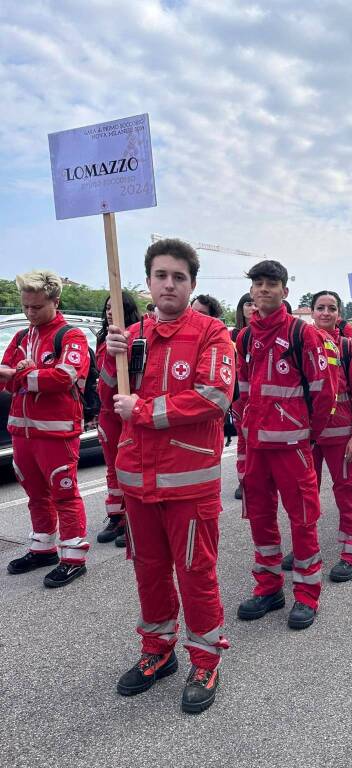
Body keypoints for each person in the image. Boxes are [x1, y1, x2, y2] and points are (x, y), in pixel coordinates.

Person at [101, 238, 234, 714]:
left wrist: (144, 411)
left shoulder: (213, 333)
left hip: (188, 485)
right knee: (149, 571)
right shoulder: (132, 333)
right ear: (149, 281)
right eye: (161, 275)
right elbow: (112, 391)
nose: (170, 284)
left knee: (196, 573)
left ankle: (204, 659)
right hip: (137, 482)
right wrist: (107, 354)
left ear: (192, 283)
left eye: (179, 277)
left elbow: (214, 397)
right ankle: (158, 652)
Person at [235, 260, 335, 630]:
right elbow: (241, 393)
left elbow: (325, 392)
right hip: (255, 449)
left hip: (293, 447)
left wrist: (308, 434)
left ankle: (307, 595)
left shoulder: (302, 334)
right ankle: (268, 588)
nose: (263, 290)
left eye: (270, 284)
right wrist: (245, 431)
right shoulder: (244, 337)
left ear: (285, 291)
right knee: (259, 519)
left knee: (303, 519)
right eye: (257, 284)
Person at [0, 270, 90, 587]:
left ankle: (73, 557)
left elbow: (63, 377)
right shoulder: (22, 337)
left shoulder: (71, 336)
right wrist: (16, 373)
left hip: (56, 433)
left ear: (55, 301)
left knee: (64, 493)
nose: (29, 313)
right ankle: (43, 548)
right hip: (22, 433)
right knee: (35, 494)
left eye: (36, 307)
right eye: (26, 306)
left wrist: (21, 375)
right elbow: (4, 374)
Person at [282, 290, 352, 582]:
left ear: (338, 313)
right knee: (304, 495)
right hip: (307, 436)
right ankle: (304, 548)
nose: (325, 313)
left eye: (331, 308)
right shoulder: (300, 343)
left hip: (341, 436)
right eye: (320, 307)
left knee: (347, 491)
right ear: (311, 311)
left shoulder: (349, 348)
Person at [95, 291, 141, 547]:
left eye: (117, 307)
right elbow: (103, 383)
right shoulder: (103, 340)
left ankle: (133, 519)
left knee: (131, 468)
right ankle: (116, 516)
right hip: (108, 413)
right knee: (113, 468)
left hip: (131, 410)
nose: (111, 311)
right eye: (108, 307)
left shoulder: (138, 335)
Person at [230, 293, 256, 500]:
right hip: (239, 395)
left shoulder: (265, 333)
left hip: (262, 395)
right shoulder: (232, 336)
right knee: (243, 439)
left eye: (255, 303)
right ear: (241, 308)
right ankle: (244, 481)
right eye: (248, 303)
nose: (252, 307)